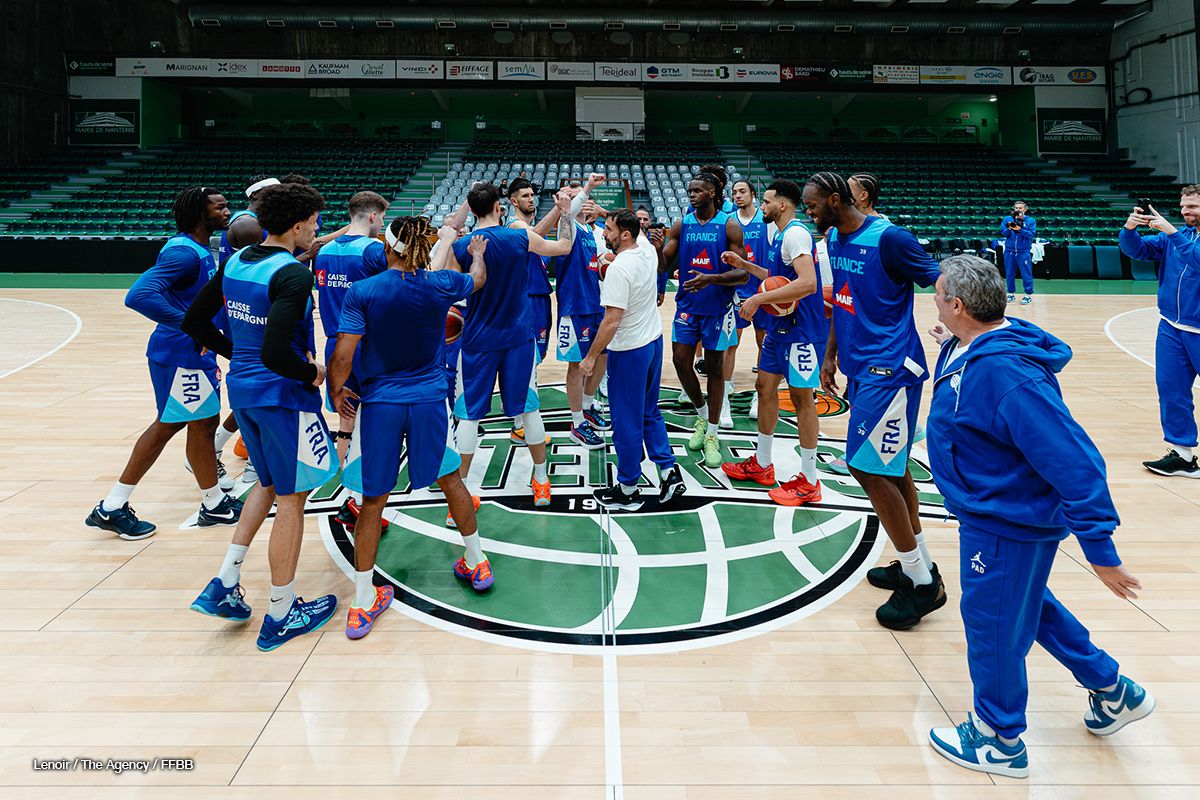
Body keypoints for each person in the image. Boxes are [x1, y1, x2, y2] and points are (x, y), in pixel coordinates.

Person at [924, 254, 1154, 779]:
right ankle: (1112, 689)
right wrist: (952, 348)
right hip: (998, 514)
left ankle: (998, 739)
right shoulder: (976, 347)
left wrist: (1100, 550)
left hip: (1006, 521)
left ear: (958, 306)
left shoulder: (1007, 375)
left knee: (992, 623)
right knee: (1026, 606)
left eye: (937, 294)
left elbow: (1076, 462)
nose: (932, 299)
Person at [181, 181, 340, 652]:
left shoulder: (236, 261)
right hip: (281, 397)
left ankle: (225, 581)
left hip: (245, 392)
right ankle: (282, 612)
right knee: (292, 498)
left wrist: (239, 355)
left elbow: (194, 321)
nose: (316, 230)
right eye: (314, 223)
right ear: (298, 225)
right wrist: (311, 372)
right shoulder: (292, 275)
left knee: (267, 485)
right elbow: (275, 352)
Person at [329, 218, 493, 640]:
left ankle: (362, 602)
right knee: (451, 480)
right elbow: (476, 280)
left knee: (373, 500)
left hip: (381, 403)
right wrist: (476, 255)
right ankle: (477, 561)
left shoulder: (363, 291)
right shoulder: (441, 284)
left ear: (388, 247)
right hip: (429, 401)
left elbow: (344, 353)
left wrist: (336, 387)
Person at [808, 171, 945, 630]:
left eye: (812, 204)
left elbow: (943, 282)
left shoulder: (890, 238)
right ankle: (917, 563)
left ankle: (922, 583)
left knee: (866, 468)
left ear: (835, 200)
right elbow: (843, 302)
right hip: (860, 366)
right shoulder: (833, 239)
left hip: (891, 370)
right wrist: (831, 354)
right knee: (893, 468)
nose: (808, 212)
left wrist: (955, 331)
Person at [85, 187, 243, 539]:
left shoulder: (199, 248)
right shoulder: (183, 253)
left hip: (191, 353)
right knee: (169, 425)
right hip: (179, 354)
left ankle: (214, 503)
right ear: (200, 213)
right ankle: (112, 506)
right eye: (220, 207)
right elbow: (139, 295)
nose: (227, 212)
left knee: (202, 424)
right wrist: (192, 326)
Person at [440, 183, 576, 513]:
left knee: (468, 416)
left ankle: (461, 498)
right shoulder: (519, 237)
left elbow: (448, 288)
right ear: (499, 207)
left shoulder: (461, 246)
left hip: (478, 340)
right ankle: (541, 481)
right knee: (529, 410)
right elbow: (564, 247)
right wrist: (565, 213)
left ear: (473, 211)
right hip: (517, 338)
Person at [721, 180, 826, 506]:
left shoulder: (795, 234)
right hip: (781, 328)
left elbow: (807, 283)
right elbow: (777, 276)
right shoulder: (780, 235)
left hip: (802, 331)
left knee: (802, 399)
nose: (762, 206)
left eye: (766, 202)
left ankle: (810, 479)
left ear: (782, 204)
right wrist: (745, 266)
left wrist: (758, 299)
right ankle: (763, 464)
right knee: (764, 388)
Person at [583, 209, 686, 510]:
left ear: (625, 235)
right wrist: (606, 213)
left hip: (629, 351)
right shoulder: (648, 250)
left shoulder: (619, 269)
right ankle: (668, 471)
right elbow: (635, 229)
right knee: (649, 411)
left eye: (609, 229)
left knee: (626, 420)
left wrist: (591, 357)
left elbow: (612, 320)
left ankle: (628, 489)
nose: (604, 233)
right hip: (653, 342)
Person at [313, 191, 390, 530]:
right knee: (372, 423)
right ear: (372, 216)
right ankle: (359, 498)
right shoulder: (373, 250)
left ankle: (348, 497)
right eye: (382, 217)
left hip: (335, 345)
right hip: (367, 345)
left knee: (346, 421)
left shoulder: (325, 250)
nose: (383, 223)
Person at [663, 173, 747, 468]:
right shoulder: (681, 224)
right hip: (687, 306)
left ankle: (712, 432)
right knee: (680, 360)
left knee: (714, 370)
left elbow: (743, 273)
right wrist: (656, 248)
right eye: (690, 190)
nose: (692, 194)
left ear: (712, 193)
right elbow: (663, 264)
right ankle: (701, 414)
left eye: (698, 190)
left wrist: (710, 278)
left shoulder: (729, 225)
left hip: (717, 309)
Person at [1119, 187, 1200, 477]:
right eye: (1183, 206)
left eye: (1192, 206)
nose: (1185, 211)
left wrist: (1173, 233)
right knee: (1172, 391)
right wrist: (1130, 229)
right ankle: (1183, 456)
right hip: (1171, 327)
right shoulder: (1178, 235)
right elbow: (1137, 251)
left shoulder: (1176, 236)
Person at [537, 174, 611, 449]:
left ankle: (588, 406)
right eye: (576, 198)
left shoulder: (591, 232)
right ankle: (577, 423)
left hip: (596, 304)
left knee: (602, 357)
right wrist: (586, 188)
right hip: (574, 306)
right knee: (577, 366)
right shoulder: (567, 226)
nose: (583, 201)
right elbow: (569, 210)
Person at [724, 178, 769, 425]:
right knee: (731, 343)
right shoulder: (729, 220)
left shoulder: (766, 220)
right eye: (734, 192)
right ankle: (725, 391)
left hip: (763, 291)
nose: (738, 195)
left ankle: (760, 395)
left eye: (742, 191)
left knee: (764, 343)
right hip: (737, 291)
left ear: (753, 193)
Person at [999, 201, 1037, 304]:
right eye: (1016, 208)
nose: (1018, 210)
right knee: (1009, 273)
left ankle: (1028, 295)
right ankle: (1010, 293)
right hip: (1009, 251)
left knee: (1026, 273)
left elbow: (1031, 234)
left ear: (1025, 209)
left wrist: (1020, 229)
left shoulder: (1030, 221)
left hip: (1023, 252)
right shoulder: (1007, 219)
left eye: (1020, 208)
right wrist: (1009, 228)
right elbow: (1003, 233)